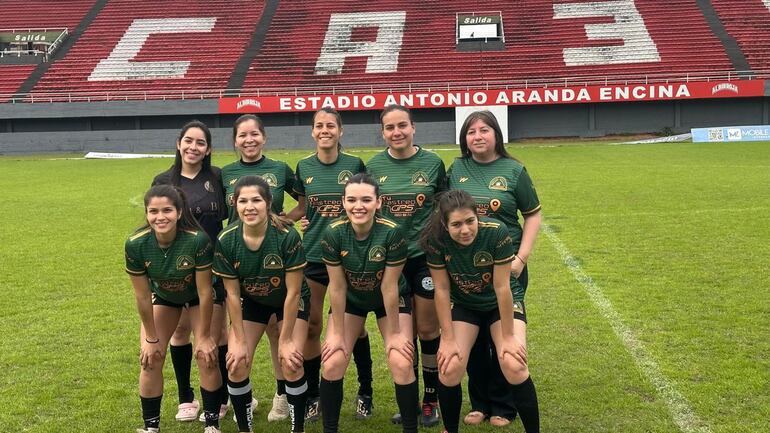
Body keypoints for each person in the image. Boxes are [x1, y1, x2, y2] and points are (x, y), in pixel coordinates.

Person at [447, 110, 542, 427]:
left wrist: (521, 258)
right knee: (471, 338)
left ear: (496, 134)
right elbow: (445, 213)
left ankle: (503, 405)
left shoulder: (514, 170)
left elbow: (533, 215)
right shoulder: (457, 168)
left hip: (506, 267)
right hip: (465, 269)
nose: (477, 136)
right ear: (465, 139)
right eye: (471, 131)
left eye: (484, 130)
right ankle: (479, 402)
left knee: (501, 336)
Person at [420, 189, 540, 433]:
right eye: (456, 224)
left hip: (501, 303)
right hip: (466, 305)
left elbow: (502, 287)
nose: (465, 230)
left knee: (513, 363)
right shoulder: (435, 240)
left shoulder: (496, 232)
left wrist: (507, 337)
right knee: (450, 365)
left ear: (478, 216)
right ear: (444, 224)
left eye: (470, 221)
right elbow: (441, 290)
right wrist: (448, 339)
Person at [319, 173, 419, 433]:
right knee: (332, 360)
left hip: (390, 300)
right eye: (351, 199)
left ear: (379, 202)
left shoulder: (392, 232)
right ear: (343, 202)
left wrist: (396, 334)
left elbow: (389, 287)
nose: (358, 206)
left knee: (401, 360)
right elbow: (338, 287)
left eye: (366, 199)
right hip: (352, 300)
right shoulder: (333, 233)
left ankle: (411, 429)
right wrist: (338, 334)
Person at [365, 105, 445, 427]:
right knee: (403, 333)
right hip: (391, 263)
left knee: (427, 329)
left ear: (414, 128)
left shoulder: (433, 163)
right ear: (382, 132)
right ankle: (408, 401)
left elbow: (445, 207)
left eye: (402, 125)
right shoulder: (373, 166)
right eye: (389, 127)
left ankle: (431, 399)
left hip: (425, 259)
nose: (396, 132)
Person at [292, 107, 373, 421]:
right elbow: (302, 208)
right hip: (312, 256)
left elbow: (365, 203)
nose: (324, 130)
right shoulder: (304, 166)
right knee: (312, 326)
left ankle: (365, 391)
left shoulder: (354, 165)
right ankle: (315, 395)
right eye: (318, 125)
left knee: (354, 327)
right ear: (312, 132)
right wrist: (282, 221)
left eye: (330, 125)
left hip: (347, 258)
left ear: (340, 131)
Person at [215, 176, 310, 433]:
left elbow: (292, 293)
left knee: (291, 362)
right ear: (234, 205)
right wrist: (239, 340)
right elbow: (232, 295)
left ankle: (297, 429)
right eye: (242, 201)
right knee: (236, 363)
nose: (250, 206)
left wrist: (287, 338)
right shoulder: (226, 239)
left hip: (289, 301)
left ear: (268, 202)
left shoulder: (287, 236)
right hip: (254, 301)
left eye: (256, 200)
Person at [125, 185, 223, 433]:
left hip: (198, 299)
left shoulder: (197, 240)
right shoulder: (136, 244)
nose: (160, 217)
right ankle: (151, 427)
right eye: (153, 211)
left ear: (179, 213)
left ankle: (212, 424)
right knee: (150, 358)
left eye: (167, 210)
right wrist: (150, 338)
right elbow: (143, 295)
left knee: (206, 355)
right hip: (166, 298)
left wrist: (203, 337)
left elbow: (203, 291)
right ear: (146, 214)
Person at [221, 114, 300, 422]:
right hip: (240, 259)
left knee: (278, 330)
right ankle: (242, 400)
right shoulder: (224, 173)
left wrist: (284, 222)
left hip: (276, 255)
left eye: (255, 134)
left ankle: (282, 394)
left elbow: (305, 200)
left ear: (264, 137)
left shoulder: (280, 168)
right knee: (239, 334)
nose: (249, 139)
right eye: (242, 135)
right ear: (235, 140)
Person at [151, 120, 230, 423]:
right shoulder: (163, 180)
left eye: (200, 143)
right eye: (188, 141)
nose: (193, 147)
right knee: (181, 331)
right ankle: (186, 397)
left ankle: (220, 397)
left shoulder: (218, 178)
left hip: (212, 267)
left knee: (214, 332)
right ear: (178, 143)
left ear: (208, 149)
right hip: (175, 270)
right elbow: (157, 225)